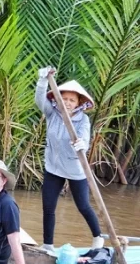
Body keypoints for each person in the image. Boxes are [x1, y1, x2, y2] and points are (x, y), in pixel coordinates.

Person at [35, 67, 103, 252]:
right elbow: (39, 100)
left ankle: (98, 237)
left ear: (79, 102)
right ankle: (48, 244)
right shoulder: (52, 114)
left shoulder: (83, 121)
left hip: (75, 169)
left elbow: (84, 140)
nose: (67, 102)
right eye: (64, 98)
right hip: (53, 167)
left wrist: (81, 144)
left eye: (71, 100)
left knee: (83, 206)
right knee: (48, 207)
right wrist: (42, 81)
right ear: (58, 98)